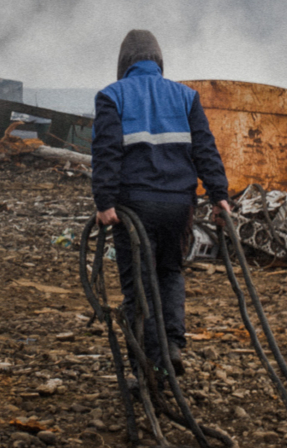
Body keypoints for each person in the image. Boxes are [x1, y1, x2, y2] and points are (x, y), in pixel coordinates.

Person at [91, 29, 231, 376]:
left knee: (138, 288)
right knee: (169, 273)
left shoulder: (111, 95)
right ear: (159, 61)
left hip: (134, 207)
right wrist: (219, 196)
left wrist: (104, 201)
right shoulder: (186, 96)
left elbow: (106, 151)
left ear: (124, 63)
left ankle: (150, 365)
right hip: (178, 206)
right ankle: (171, 345)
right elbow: (205, 149)